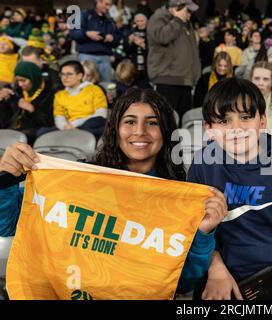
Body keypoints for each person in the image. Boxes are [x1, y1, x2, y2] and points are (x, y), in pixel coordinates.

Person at [0, 88, 228, 295]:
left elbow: (182, 282)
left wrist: (202, 234)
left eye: (152, 123)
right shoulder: (77, 179)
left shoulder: (181, 195)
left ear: (166, 131)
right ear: (115, 128)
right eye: (129, 121)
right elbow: (7, 225)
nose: (140, 132)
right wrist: (6, 178)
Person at [187, 78, 272, 300]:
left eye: (246, 117)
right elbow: (193, 232)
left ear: (262, 121)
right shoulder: (202, 165)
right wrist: (215, 266)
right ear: (209, 129)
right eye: (224, 120)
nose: (236, 129)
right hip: (218, 282)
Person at [146, 0, 201, 119]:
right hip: (168, 81)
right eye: (188, 10)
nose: (190, 14)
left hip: (185, 81)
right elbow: (162, 37)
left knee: (183, 125)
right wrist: (177, 20)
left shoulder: (186, 23)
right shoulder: (158, 18)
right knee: (168, 123)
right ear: (177, 7)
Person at [36, 61, 107, 140]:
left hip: (88, 125)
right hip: (68, 127)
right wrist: (65, 127)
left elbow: (101, 114)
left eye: (69, 74)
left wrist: (74, 124)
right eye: (62, 74)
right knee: (42, 132)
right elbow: (59, 117)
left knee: (97, 122)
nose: (65, 78)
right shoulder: (59, 95)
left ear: (80, 76)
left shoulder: (94, 89)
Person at [0, 61, 54, 145]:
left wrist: (32, 109)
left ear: (33, 78)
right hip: (10, 130)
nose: (20, 84)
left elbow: (48, 123)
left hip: (31, 134)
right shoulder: (17, 92)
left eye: (23, 80)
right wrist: (2, 101)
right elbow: (5, 118)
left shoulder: (48, 95)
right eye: (18, 81)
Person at [69, 0, 118, 82]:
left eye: (110, 5)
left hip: (105, 58)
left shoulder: (110, 20)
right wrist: (86, 34)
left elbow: (118, 38)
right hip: (87, 56)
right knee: (86, 86)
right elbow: (73, 32)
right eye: (106, 4)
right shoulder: (82, 15)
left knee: (107, 86)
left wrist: (112, 38)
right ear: (98, 1)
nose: (108, 7)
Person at [127, 13, 149, 86]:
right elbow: (126, 50)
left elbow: (155, 49)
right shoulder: (131, 32)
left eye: (142, 21)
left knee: (146, 85)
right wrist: (129, 42)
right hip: (135, 63)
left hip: (147, 63)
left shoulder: (150, 32)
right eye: (137, 21)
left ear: (146, 21)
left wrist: (143, 45)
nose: (140, 23)